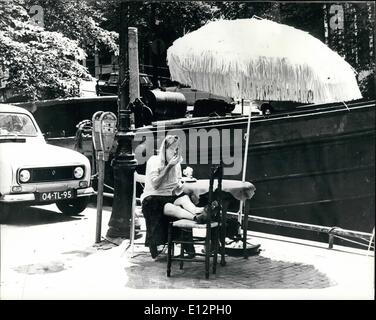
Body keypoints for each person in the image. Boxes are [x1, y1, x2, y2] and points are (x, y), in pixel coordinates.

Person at [140, 135, 210, 258]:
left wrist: (189, 189)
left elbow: (176, 187)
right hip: (153, 198)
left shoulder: (177, 164)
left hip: (169, 196)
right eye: (173, 149)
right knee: (171, 207)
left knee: (184, 199)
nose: (175, 152)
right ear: (164, 149)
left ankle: (201, 211)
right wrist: (169, 167)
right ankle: (196, 218)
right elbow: (155, 184)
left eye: (177, 149)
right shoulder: (154, 161)